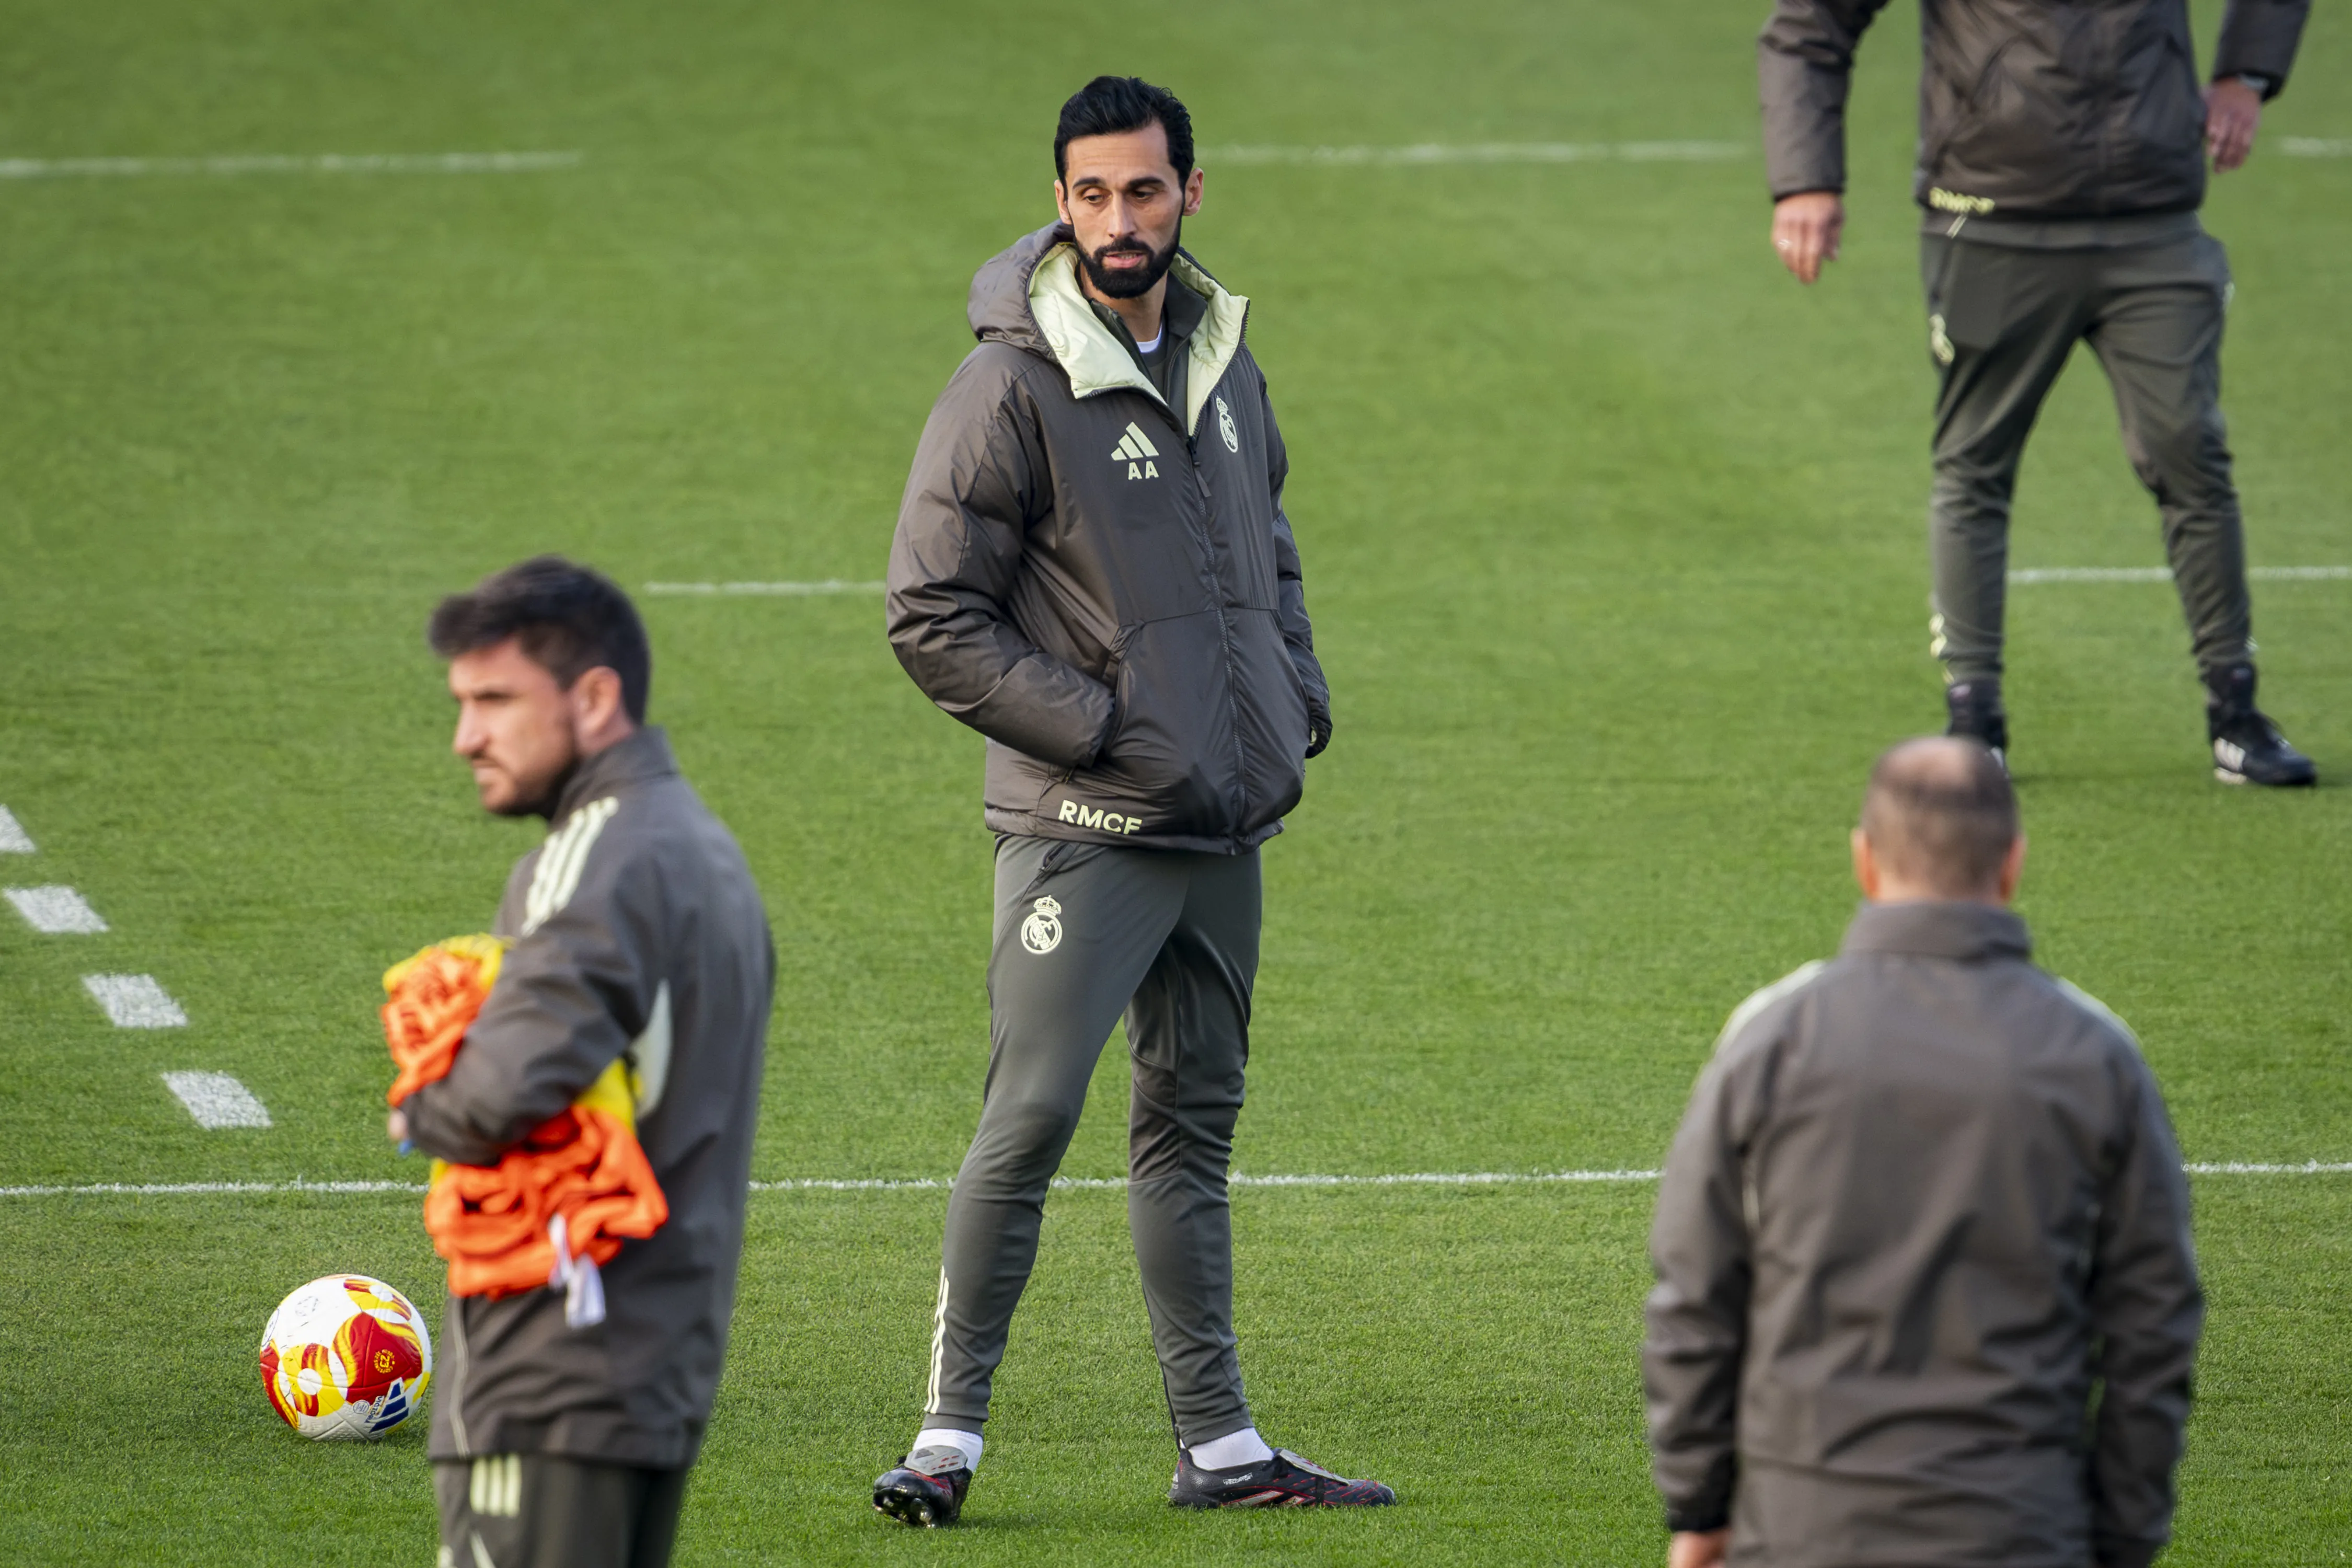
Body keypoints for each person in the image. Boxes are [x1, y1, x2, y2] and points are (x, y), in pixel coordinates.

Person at [873, 75, 1391, 1525]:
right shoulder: (1008, 385)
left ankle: (1221, 1450)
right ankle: (944, 1446)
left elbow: (1267, 550)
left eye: (1143, 191)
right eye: (1091, 194)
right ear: (1058, 201)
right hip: (1083, 833)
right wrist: (1102, 732)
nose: (1118, 220)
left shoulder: (1226, 363)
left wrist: (1296, 699)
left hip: (1221, 832)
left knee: (1189, 1134)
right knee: (1027, 1120)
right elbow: (930, 613)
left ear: (1189, 194)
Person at [1644, 737, 2204, 1567]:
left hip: (1805, 1529)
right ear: (2011, 865)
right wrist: (2123, 1532)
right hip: (2021, 1529)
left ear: (1865, 861)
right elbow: (2152, 1322)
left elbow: (1696, 1296)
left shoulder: (1772, 1039)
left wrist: (1699, 1506)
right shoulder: (2094, 1054)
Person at [1760, 0, 2316, 786]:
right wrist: (1805, 180)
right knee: (1975, 465)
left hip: (2153, 221)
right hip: (1989, 219)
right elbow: (1809, 26)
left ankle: (2236, 712)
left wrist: (2247, 74)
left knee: (2189, 448)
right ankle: (1974, 721)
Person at [391, 556, 775, 1568]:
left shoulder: (593, 858)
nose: (465, 735)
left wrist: (422, 1099)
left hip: (551, 1373)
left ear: (593, 697)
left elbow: (499, 1094)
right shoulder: (701, 848)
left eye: (494, 700)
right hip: (651, 1363)